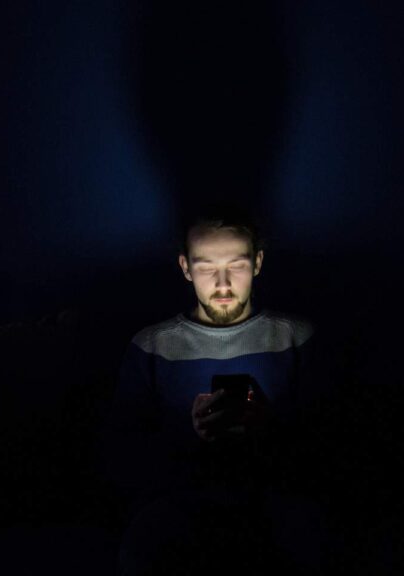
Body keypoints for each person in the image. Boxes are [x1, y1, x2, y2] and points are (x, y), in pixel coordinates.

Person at [99, 203, 338, 575]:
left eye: (236, 266)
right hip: (180, 500)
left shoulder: (296, 337)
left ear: (257, 263)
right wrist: (188, 434)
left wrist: (269, 426)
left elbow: (333, 445)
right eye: (207, 267)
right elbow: (120, 453)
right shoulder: (152, 346)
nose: (223, 284)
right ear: (185, 267)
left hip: (274, 496)